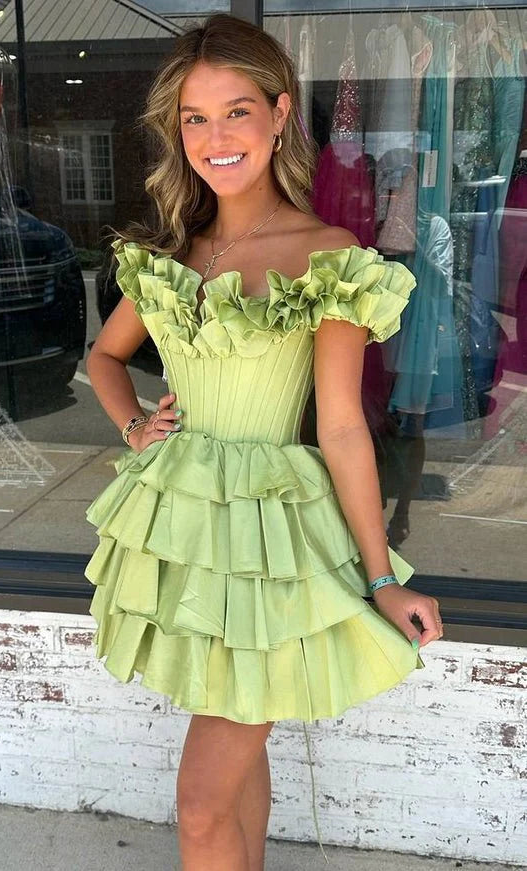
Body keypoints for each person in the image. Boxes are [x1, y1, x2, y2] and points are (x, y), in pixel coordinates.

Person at [85, 13, 444, 871]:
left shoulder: (327, 256)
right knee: (236, 756)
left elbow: (343, 426)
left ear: (280, 114)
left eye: (237, 111)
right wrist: (134, 424)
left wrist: (381, 576)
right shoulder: (172, 251)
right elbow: (104, 356)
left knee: (199, 804)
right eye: (196, 118)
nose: (216, 138)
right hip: (183, 531)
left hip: (270, 543)